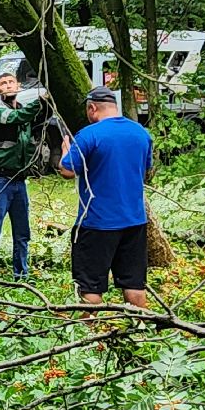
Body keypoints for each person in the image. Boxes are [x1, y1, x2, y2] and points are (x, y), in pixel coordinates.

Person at [59, 86, 153, 308]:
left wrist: (65, 152)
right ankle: (140, 335)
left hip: (97, 223)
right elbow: (146, 170)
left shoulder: (90, 135)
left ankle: (89, 338)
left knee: (90, 288)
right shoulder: (141, 133)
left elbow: (67, 170)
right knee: (134, 284)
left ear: (92, 108)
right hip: (134, 222)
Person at [0, 72, 46, 280]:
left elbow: (36, 121)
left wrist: (48, 106)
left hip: (19, 181)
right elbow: (19, 118)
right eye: (3, 84)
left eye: (11, 82)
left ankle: (21, 275)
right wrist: (41, 100)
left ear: (18, 86)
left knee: (22, 232)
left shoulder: (23, 112)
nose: (8, 86)